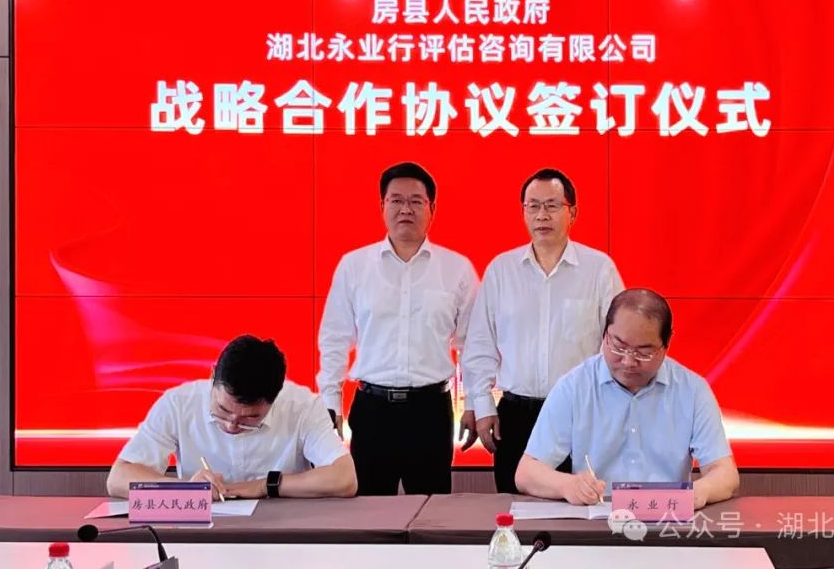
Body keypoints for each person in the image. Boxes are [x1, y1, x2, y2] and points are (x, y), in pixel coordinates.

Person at [317, 162, 479, 495]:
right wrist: (330, 400)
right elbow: (334, 339)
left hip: (430, 412)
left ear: (432, 208)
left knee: (432, 512)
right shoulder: (354, 266)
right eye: (396, 200)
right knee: (368, 513)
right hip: (372, 410)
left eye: (416, 201)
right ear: (382, 205)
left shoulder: (457, 268)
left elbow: (472, 345)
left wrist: (476, 403)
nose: (406, 209)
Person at [460, 168, 624, 493]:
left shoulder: (599, 269)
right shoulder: (502, 270)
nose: (541, 215)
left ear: (572, 212)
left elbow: (618, 343)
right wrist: (483, 406)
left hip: (580, 412)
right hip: (515, 415)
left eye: (551, 206)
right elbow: (480, 346)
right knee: (513, 504)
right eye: (532, 206)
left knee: (582, 502)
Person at [515, 289, 739, 509]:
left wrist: (698, 492)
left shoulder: (693, 390)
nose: (628, 362)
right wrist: (568, 485)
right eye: (619, 347)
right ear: (605, 334)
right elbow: (527, 473)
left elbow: (725, 474)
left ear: (666, 345)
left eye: (644, 352)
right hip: (597, 520)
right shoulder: (574, 387)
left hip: (666, 517)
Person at [106, 335, 357, 499]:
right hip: (203, 532)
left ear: (276, 395)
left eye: (250, 418)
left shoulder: (302, 406)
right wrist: (185, 489)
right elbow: (118, 478)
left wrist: (264, 486)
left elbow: (345, 478)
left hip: (282, 530)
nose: (231, 425)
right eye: (223, 410)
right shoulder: (178, 403)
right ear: (212, 376)